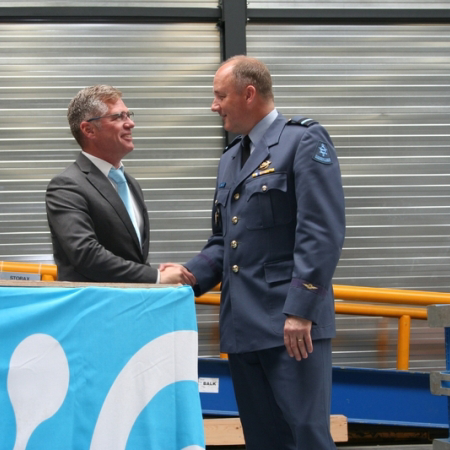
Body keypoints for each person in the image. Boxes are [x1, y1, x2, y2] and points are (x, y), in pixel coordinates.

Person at [161, 56, 346, 449]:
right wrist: (185, 277)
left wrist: (301, 310)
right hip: (243, 326)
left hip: (291, 326)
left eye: (220, 96)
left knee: (305, 435)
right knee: (263, 439)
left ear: (248, 94)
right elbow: (223, 241)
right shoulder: (231, 158)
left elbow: (321, 230)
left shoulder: (302, 141)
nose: (214, 106)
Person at [46, 85, 194, 285]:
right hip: (95, 303)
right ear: (88, 129)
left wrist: (155, 275)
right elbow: (85, 254)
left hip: (134, 302)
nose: (130, 123)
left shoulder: (130, 184)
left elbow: (132, 256)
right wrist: (156, 277)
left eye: (128, 115)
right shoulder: (67, 186)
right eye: (118, 117)